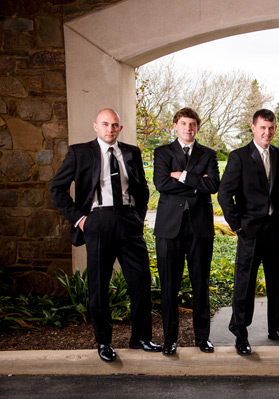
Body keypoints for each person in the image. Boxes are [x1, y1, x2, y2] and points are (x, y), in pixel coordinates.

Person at [50, 108, 161, 362]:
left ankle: (141, 337)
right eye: (105, 124)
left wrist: (138, 217)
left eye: (114, 125)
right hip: (97, 221)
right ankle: (104, 342)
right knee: (98, 285)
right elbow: (57, 188)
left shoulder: (131, 152)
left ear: (120, 128)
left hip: (128, 221)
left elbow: (142, 189)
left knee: (141, 281)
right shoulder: (80, 152)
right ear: (95, 126)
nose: (110, 129)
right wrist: (80, 220)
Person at [218, 109, 279, 356]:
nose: (267, 132)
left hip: (275, 230)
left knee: (275, 282)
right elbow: (224, 194)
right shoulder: (239, 156)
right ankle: (240, 331)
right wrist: (238, 225)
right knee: (245, 283)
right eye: (262, 128)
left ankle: (277, 329)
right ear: (253, 128)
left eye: (271, 128)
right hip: (250, 230)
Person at [153, 108, 220, 356]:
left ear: (198, 128)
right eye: (183, 123)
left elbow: (212, 185)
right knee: (169, 286)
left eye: (192, 124)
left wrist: (180, 176)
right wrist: (195, 184)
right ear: (175, 126)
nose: (188, 128)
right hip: (169, 229)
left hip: (200, 229)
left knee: (200, 284)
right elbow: (161, 183)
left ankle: (203, 338)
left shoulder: (209, 154)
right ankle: (170, 339)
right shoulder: (162, 153)